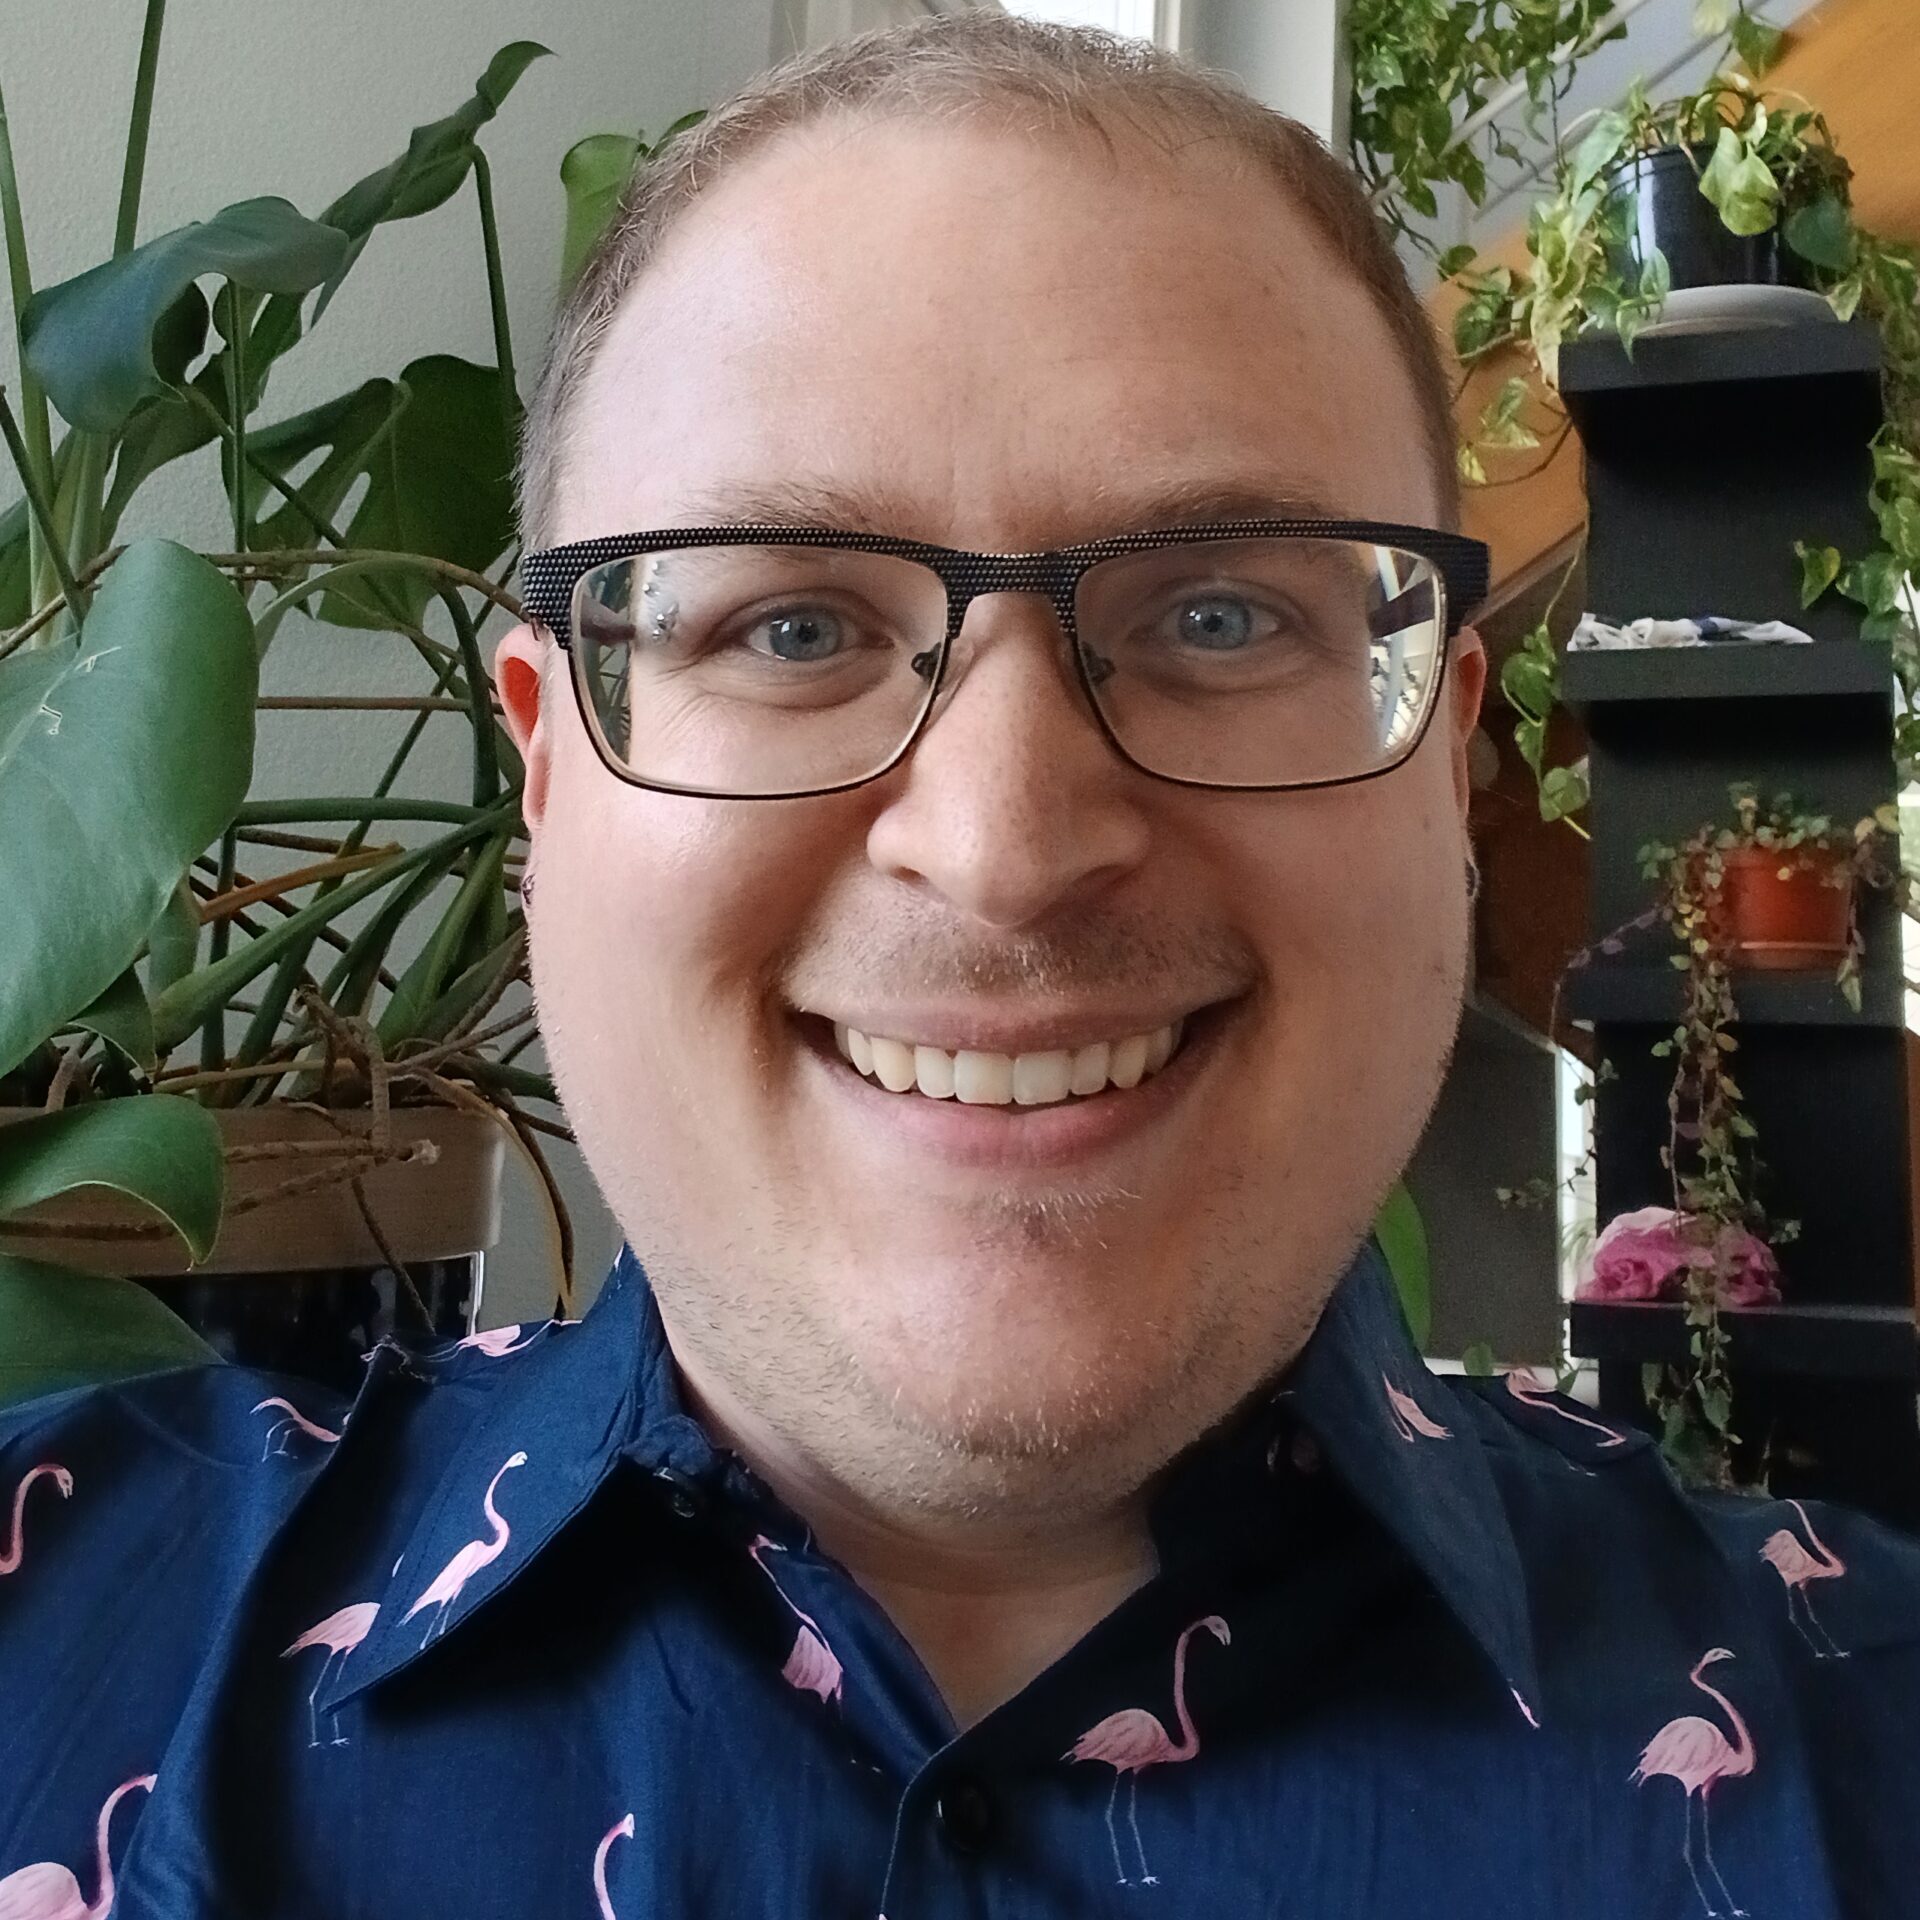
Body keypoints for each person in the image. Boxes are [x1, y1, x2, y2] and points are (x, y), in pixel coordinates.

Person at [3, 13, 1917, 1918]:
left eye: (1224, 609)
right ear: (549, 774)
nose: (1004, 850)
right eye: (791, 625)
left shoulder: (1864, 1740)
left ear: (1442, 755)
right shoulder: (53, 1632)